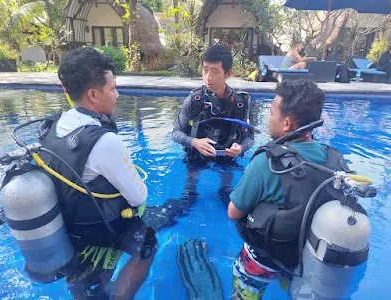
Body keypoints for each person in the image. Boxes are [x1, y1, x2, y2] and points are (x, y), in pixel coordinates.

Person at [38, 47, 157, 299]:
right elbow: (138, 197)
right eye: (112, 88)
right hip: (96, 235)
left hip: (65, 232)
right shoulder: (104, 142)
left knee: (85, 290)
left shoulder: (51, 126)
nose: (117, 94)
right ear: (93, 94)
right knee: (147, 244)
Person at [228, 80, 352, 299]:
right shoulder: (337, 161)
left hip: (263, 258)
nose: (269, 118)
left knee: (245, 289)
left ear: (286, 124)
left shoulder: (267, 162)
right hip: (305, 261)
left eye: (272, 113)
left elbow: (233, 212)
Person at [142, 45, 254, 231]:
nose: (208, 77)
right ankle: (189, 194)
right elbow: (176, 133)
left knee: (227, 189)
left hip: (226, 155)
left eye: (215, 71)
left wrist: (240, 149)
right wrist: (194, 142)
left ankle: (224, 191)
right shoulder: (194, 100)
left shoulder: (241, 103)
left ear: (228, 73)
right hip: (197, 154)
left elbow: (250, 138)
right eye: (205, 70)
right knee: (189, 191)